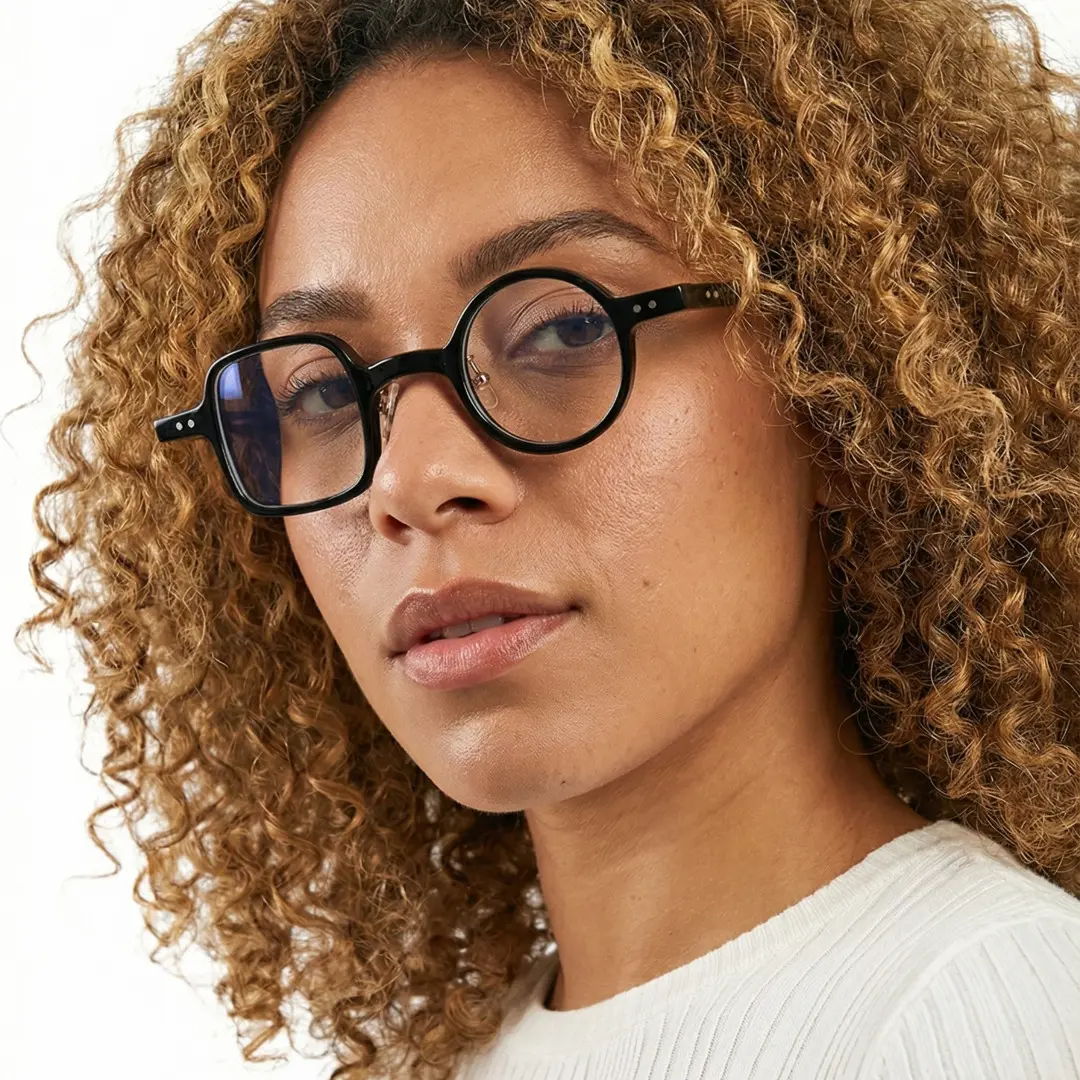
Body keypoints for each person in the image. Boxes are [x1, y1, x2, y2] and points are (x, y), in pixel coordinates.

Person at [19, 0, 1080, 1076]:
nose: (411, 481)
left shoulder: (992, 1011)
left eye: (563, 329)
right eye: (319, 393)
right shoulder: (466, 1056)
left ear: (839, 393)